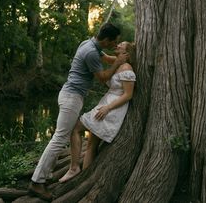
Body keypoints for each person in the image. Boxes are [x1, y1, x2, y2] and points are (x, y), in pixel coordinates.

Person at [28, 23, 128, 201]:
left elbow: (107, 60)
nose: (115, 45)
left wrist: (122, 59)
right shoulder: (90, 52)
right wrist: (118, 63)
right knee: (59, 138)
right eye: (114, 42)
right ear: (105, 39)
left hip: (70, 95)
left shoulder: (89, 44)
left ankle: (53, 172)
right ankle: (37, 182)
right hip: (71, 97)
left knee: (67, 132)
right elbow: (103, 77)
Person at [58, 41, 136, 183]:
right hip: (105, 104)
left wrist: (108, 108)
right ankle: (85, 177)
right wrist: (93, 42)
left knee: (76, 128)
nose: (117, 45)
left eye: (121, 45)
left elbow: (127, 95)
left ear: (127, 53)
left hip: (111, 109)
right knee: (91, 144)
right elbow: (104, 57)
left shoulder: (127, 68)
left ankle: (75, 169)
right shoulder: (119, 62)